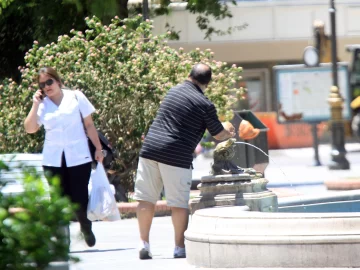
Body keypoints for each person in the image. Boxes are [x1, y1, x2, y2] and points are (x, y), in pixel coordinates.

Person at [133, 63, 259, 260]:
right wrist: (229, 133)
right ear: (208, 82)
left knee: (146, 199)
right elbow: (218, 134)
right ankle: (178, 247)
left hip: (150, 149)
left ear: (189, 75)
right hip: (176, 154)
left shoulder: (173, 91)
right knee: (178, 204)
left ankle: (143, 243)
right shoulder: (204, 104)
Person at [24, 67, 104, 247]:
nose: (47, 87)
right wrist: (35, 104)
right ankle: (62, 240)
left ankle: (85, 226)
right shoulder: (42, 105)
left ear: (58, 81)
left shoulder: (76, 97)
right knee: (58, 199)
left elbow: (89, 125)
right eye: (42, 84)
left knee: (79, 197)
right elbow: (30, 129)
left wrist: (98, 149)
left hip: (78, 156)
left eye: (49, 82)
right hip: (53, 159)